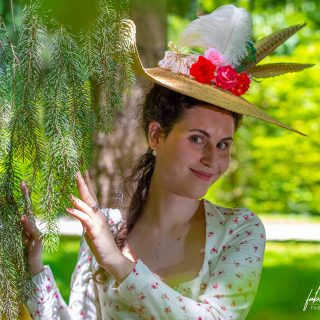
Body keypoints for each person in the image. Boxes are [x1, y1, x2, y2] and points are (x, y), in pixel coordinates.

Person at [21, 4, 310, 319]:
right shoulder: (107, 227)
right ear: (156, 136)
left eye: (223, 144)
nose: (213, 159)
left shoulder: (239, 231)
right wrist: (34, 265)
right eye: (197, 139)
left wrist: (118, 264)